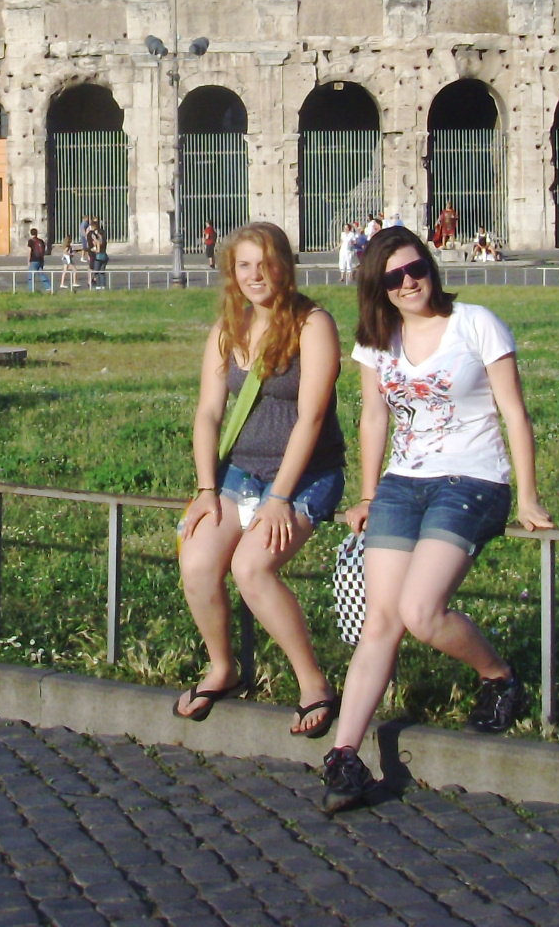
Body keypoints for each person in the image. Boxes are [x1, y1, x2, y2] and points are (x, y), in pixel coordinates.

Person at [319, 225, 553, 814]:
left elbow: (514, 414)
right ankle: (344, 755)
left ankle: (500, 677)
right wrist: (369, 494)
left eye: (415, 268)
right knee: (381, 620)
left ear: (431, 265)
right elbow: (373, 418)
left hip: (472, 480)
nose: (408, 283)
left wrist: (527, 496)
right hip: (402, 484)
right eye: (393, 276)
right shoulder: (377, 340)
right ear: (377, 285)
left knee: (421, 613)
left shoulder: (476, 323)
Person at [175, 221, 346, 738]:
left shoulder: (314, 324)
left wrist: (279, 498)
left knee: (252, 567)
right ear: (233, 272)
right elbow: (208, 412)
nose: (256, 275)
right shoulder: (229, 329)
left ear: (285, 268)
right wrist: (207, 489)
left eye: (266, 263)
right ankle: (222, 667)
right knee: (199, 560)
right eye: (245, 265)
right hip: (238, 473)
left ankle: (313, 683)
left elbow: (312, 418)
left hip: (306, 474)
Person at [27, 227, 51, 292]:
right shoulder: (41, 241)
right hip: (41, 260)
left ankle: (30, 289)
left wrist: (29, 261)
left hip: (34, 260)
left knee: (31, 275)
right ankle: (48, 287)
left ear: (31, 234)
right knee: (41, 274)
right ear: (37, 233)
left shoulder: (31, 241)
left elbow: (30, 251)